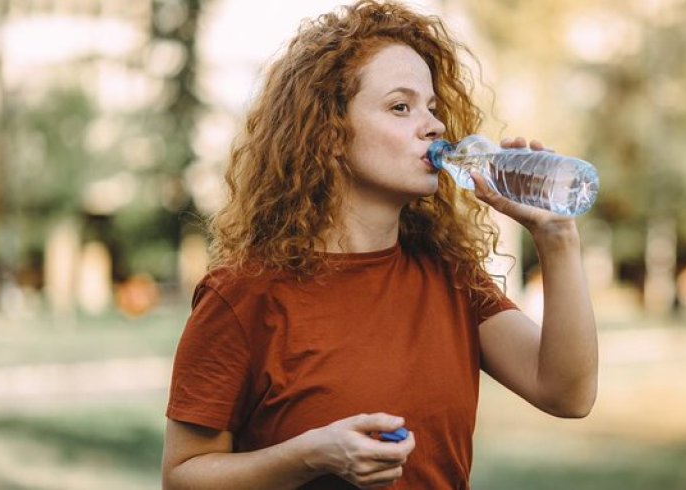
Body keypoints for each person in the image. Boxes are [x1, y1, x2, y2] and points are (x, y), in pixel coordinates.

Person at [161, 1, 598, 488]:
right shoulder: (243, 294)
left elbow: (567, 394)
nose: (433, 126)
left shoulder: (449, 276)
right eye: (400, 106)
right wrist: (311, 455)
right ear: (328, 135)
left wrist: (557, 239)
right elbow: (183, 477)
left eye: (432, 108)